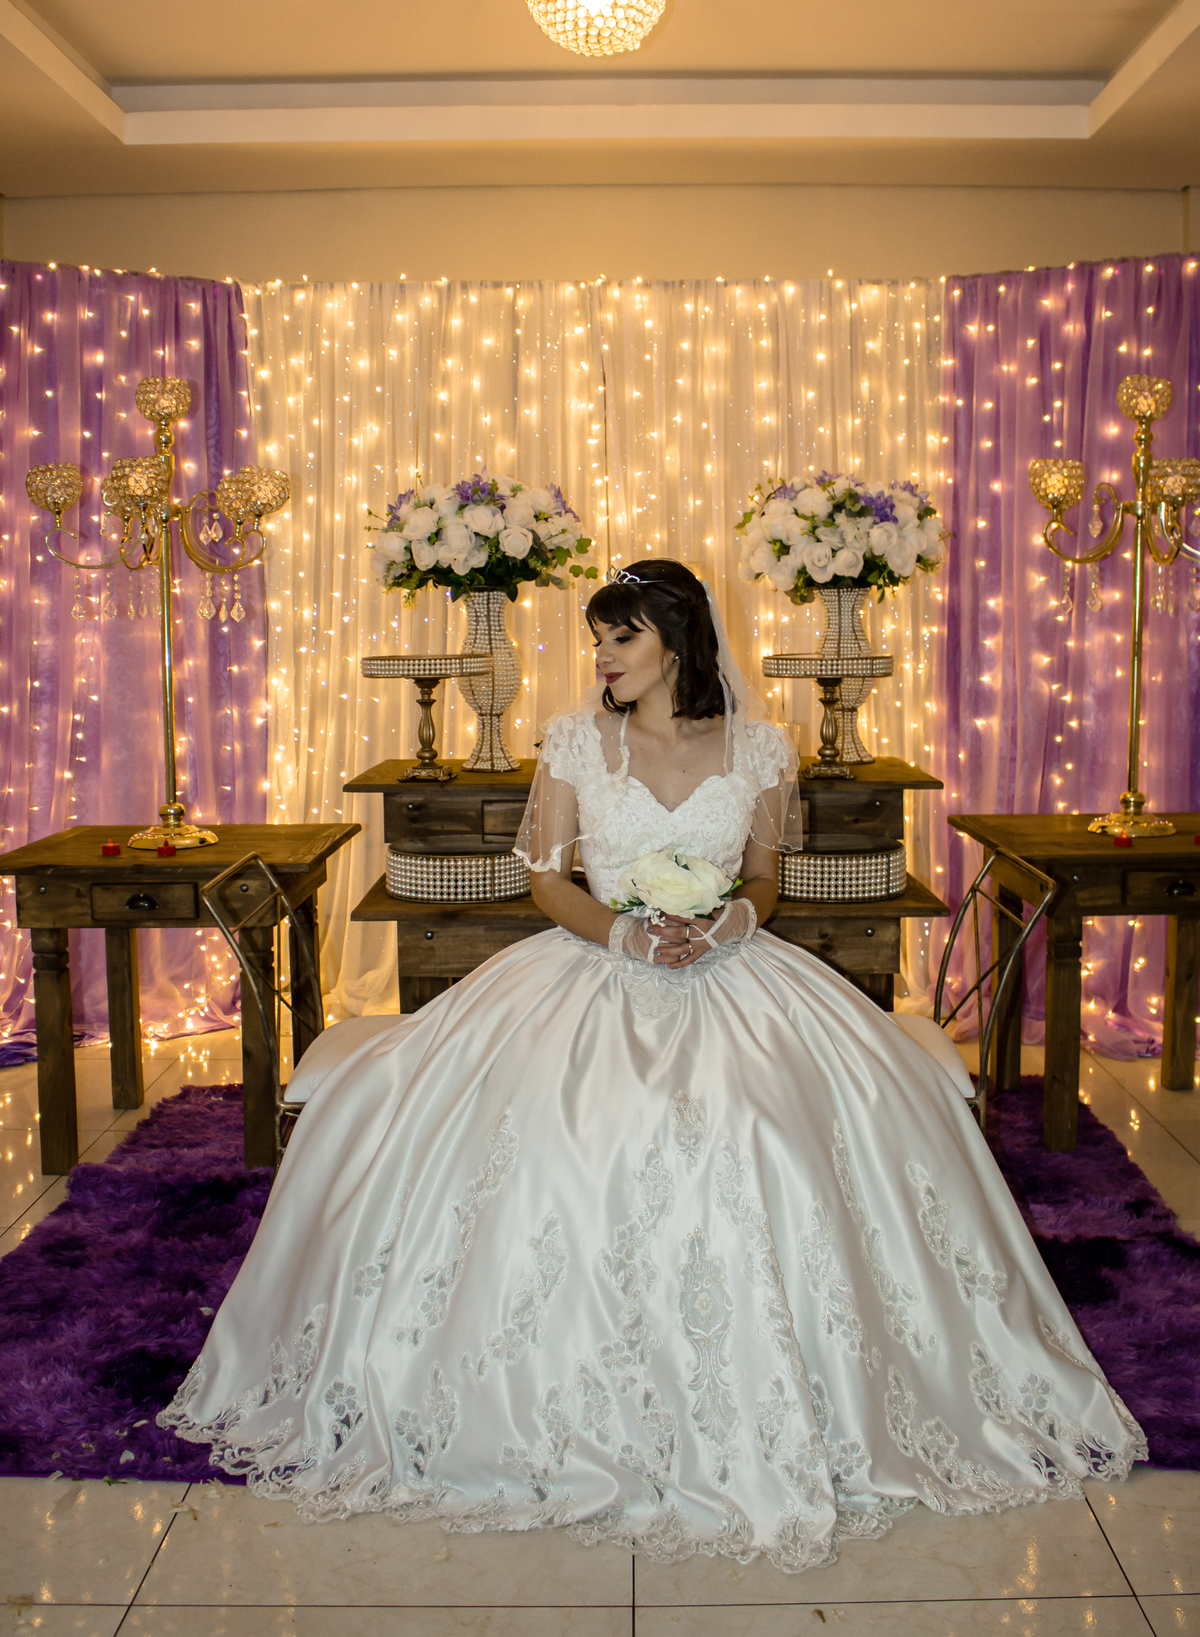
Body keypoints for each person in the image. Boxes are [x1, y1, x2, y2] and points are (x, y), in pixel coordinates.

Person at [161, 559, 1144, 1572]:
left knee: (769, 1124)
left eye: (620, 635)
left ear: (676, 642)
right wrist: (624, 935)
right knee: (556, 1127)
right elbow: (548, 882)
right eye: (599, 637)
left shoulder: (761, 747)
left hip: (731, 969)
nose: (602, 656)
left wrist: (733, 921)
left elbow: (765, 872)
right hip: (594, 966)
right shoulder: (575, 741)